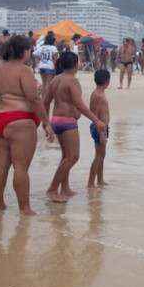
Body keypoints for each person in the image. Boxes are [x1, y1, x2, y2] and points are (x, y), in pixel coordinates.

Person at [0, 34, 54, 215]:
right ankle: (24, 209)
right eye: (29, 50)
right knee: (20, 167)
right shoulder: (23, 70)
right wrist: (46, 122)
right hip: (19, 121)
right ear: (24, 51)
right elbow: (34, 98)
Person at [41, 51, 106, 202]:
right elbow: (79, 104)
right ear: (76, 64)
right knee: (73, 157)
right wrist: (96, 120)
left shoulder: (55, 80)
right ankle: (52, 189)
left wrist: (46, 122)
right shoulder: (72, 81)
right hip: (67, 121)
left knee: (65, 156)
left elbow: (45, 101)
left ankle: (65, 188)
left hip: (56, 120)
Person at [87, 68, 111, 189]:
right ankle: (91, 182)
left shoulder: (100, 93)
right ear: (107, 81)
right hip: (99, 127)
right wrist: (102, 133)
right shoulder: (97, 95)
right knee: (99, 155)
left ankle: (100, 179)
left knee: (102, 154)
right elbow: (94, 115)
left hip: (103, 127)